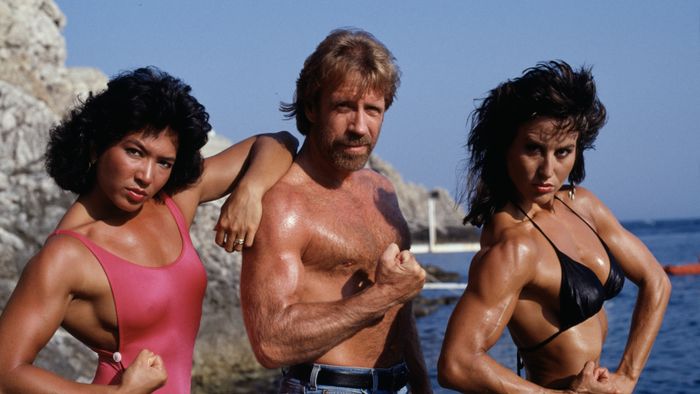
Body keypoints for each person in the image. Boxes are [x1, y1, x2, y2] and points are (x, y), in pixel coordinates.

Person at [0, 67, 297, 393]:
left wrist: (250, 193)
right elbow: (7, 372)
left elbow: (278, 143)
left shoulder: (172, 205)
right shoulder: (65, 256)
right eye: (134, 152)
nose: (146, 175)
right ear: (96, 146)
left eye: (164, 162)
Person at [437, 61, 671, 393]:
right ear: (506, 149)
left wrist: (627, 377)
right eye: (533, 149)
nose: (548, 170)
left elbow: (656, 282)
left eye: (563, 152)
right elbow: (457, 364)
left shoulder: (582, 205)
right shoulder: (514, 248)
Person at [238, 28, 430, 394]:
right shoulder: (284, 204)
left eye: (372, 110)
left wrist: (422, 386)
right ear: (311, 107)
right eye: (344, 107)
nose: (360, 127)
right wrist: (383, 294)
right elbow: (270, 340)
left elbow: (400, 312)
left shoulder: (382, 190)